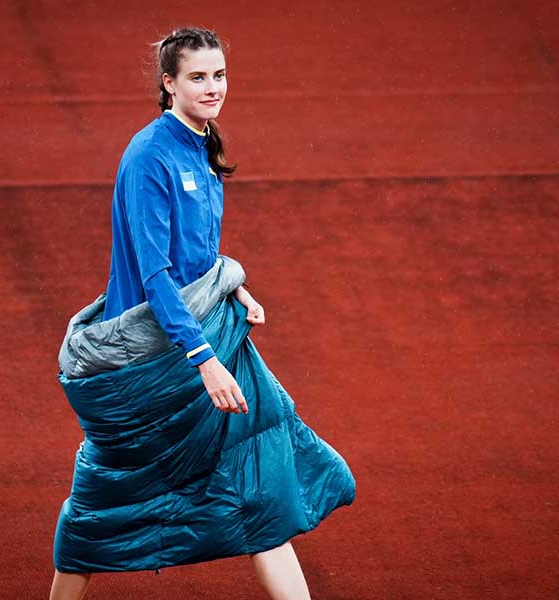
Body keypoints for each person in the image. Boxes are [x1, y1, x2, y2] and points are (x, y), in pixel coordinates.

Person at [50, 27, 354, 600]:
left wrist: (232, 287)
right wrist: (206, 361)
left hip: (196, 337)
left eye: (219, 75)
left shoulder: (202, 143)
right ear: (169, 84)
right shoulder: (150, 156)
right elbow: (156, 275)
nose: (212, 87)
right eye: (197, 77)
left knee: (260, 479)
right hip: (147, 365)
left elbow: (196, 254)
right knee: (100, 506)